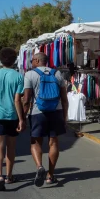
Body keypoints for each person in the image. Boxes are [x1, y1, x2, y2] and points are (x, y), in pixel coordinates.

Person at [23, 52, 68, 187]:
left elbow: (26, 99)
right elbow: (64, 99)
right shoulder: (57, 74)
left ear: (37, 60)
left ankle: (39, 167)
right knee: (53, 142)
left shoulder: (30, 74)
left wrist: (23, 117)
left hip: (38, 112)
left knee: (35, 142)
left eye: (32, 60)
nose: (31, 62)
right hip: (56, 111)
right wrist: (64, 117)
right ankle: (51, 175)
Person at [0, 48, 25, 191]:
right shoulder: (19, 76)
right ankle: (9, 175)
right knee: (11, 147)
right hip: (12, 115)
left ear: (0, 59)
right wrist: (21, 119)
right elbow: (17, 100)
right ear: (14, 60)